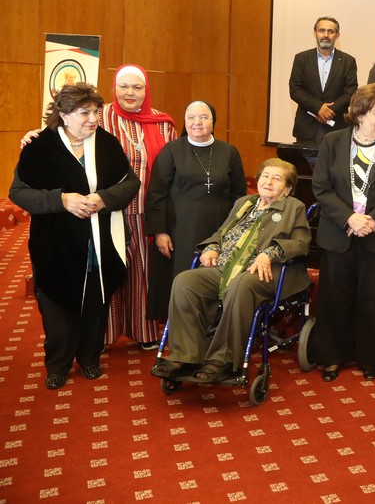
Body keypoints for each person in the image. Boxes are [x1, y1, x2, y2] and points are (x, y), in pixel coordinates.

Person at [10, 83, 140, 389]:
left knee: (96, 303)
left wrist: (104, 198)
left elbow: (130, 183)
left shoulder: (106, 143)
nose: (93, 118)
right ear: (64, 114)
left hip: (100, 242)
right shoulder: (40, 146)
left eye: (96, 112)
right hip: (55, 245)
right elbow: (18, 192)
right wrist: (61, 200)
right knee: (56, 308)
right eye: (85, 113)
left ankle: (90, 358)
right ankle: (57, 364)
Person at [150, 159, 311, 384]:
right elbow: (221, 232)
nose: (269, 182)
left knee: (240, 285)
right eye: (265, 176)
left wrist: (269, 254)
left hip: (264, 272)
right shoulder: (244, 203)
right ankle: (185, 356)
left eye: (277, 178)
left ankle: (223, 361)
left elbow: (301, 243)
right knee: (185, 281)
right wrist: (212, 247)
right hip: (225, 267)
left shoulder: (294, 207)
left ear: (287, 188)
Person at [309, 83, 375, 382]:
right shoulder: (333, 141)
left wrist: (374, 220)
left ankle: (370, 358)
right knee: (334, 298)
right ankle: (332, 356)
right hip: (338, 233)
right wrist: (349, 218)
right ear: (360, 113)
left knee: (374, 299)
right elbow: (321, 188)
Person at [145, 101, 247, 319]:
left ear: (213, 121)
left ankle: (213, 324)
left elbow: (239, 195)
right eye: (191, 117)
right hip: (179, 229)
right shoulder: (172, 150)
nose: (196, 122)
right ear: (184, 121)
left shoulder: (228, 152)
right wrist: (160, 232)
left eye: (203, 117)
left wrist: (235, 231)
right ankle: (181, 325)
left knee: (213, 277)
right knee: (182, 277)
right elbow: (156, 194)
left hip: (219, 228)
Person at [101, 64, 178, 348]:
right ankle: (101, 335)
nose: (130, 93)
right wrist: (34, 134)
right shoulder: (98, 117)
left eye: (137, 87)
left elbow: (175, 168)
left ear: (146, 90)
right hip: (107, 211)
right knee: (108, 272)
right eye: (124, 86)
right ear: (114, 88)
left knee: (143, 275)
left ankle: (145, 333)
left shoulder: (162, 123)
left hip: (148, 212)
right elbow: (66, 134)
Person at [289, 16, 359, 146]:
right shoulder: (301, 58)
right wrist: (318, 108)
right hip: (307, 129)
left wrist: (329, 111)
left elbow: (351, 91)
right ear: (315, 33)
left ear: (337, 35)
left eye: (330, 31)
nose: (326, 35)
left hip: (337, 128)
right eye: (322, 30)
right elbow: (295, 89)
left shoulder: (348, 61)